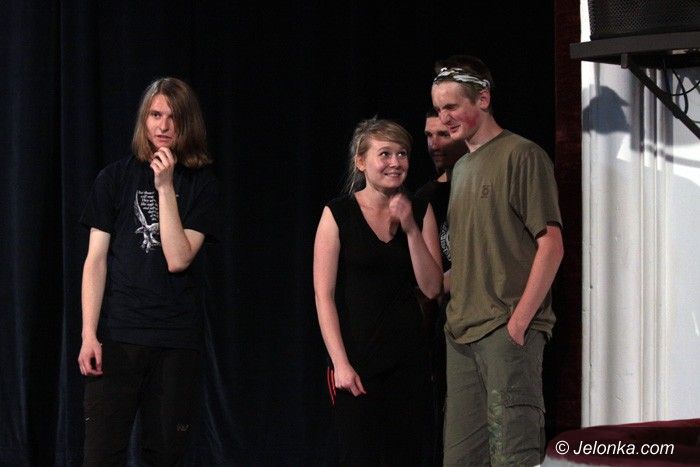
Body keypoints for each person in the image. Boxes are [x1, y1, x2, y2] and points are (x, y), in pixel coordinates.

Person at [77, 77, 219, 466]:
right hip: (119, 337)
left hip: (175, 341)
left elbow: (178, 258)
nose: (163, 126)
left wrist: (165, 187)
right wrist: (89, 334)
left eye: (173, 117)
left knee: (165, 456)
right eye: (155, 115)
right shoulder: (114, 178)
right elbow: (95, 260)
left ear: (187, 123)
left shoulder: (202, 185)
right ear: (144, 119)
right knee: (100, 455)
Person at [431, 55, 564, 466]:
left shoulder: (522, 155)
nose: (444, 118)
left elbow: (552, 245)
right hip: (462, 337)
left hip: (505, 332)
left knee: (513, 456)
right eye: (438, 109)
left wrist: (518, 324)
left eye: (451, 106)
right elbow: (471, 256)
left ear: (483, 99)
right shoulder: (461, 169)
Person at [313, 117, 443, 466]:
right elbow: (324, 296)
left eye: (402, 154)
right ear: (361, 161)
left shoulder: (420, 210)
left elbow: (432, 288)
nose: (395, 162)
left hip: (409, 364)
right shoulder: (338, 214)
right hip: (357, 366)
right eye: (384, 154)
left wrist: (411, 228)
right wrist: (340, 364)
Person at [414, 109, 467, 467]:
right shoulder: (424, 198)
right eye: (428, 135)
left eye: (443, 135)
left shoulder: (480, 186)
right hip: (443, 330)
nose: (434, 144)